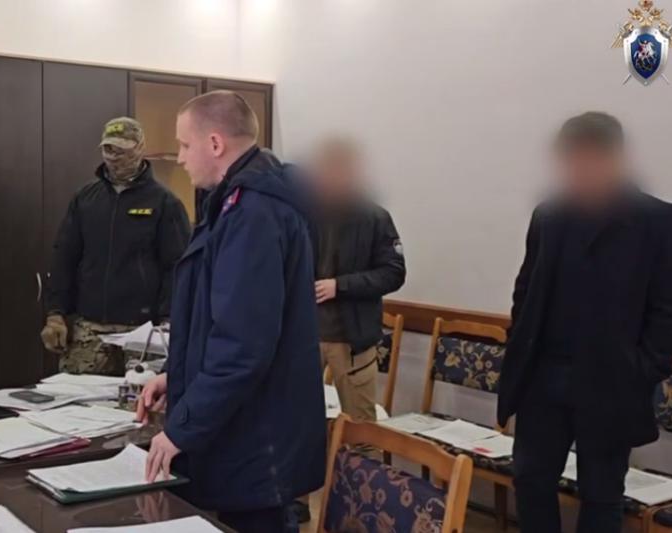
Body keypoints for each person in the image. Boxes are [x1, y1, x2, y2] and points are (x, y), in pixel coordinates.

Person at [498, 112, 672, 533]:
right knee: (530, 480)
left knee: (602, 495)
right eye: (571, 160)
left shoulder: (659, 221)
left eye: (590, 160)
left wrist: (640, 370)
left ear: (615, 159)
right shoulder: (548, 216)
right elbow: (526, 289)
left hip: (612, 384)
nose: (579, 171)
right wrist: (520, 340)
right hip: (544, 379)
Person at [136, 91, 326, 533]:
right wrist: (176, 376)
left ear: (215, 143)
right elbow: (216, 317)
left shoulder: (253, 212)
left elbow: (242, 346)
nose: (180, 157)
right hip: (245, 428)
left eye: (185, 145)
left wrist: (182, 428)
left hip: (258, 438)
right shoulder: (232, 203)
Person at [41, 117, 191, 375]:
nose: (114, 157)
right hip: (89, 330)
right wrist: (55, 313)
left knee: (140, 398)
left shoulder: (165, 203)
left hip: (143, 333)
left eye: (122, 150)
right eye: (108, 149)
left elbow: (177, 267)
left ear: (140, 148)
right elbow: (64, 258)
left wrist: (169, 321)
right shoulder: (85, 199)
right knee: (76, 397)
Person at [309, 138, 406, 422]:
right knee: (300, 424)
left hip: (352, 341)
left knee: (361, 428)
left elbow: (393, 273)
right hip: (306, 336)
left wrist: (340, 286)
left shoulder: (374, 217)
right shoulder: (304, 214)